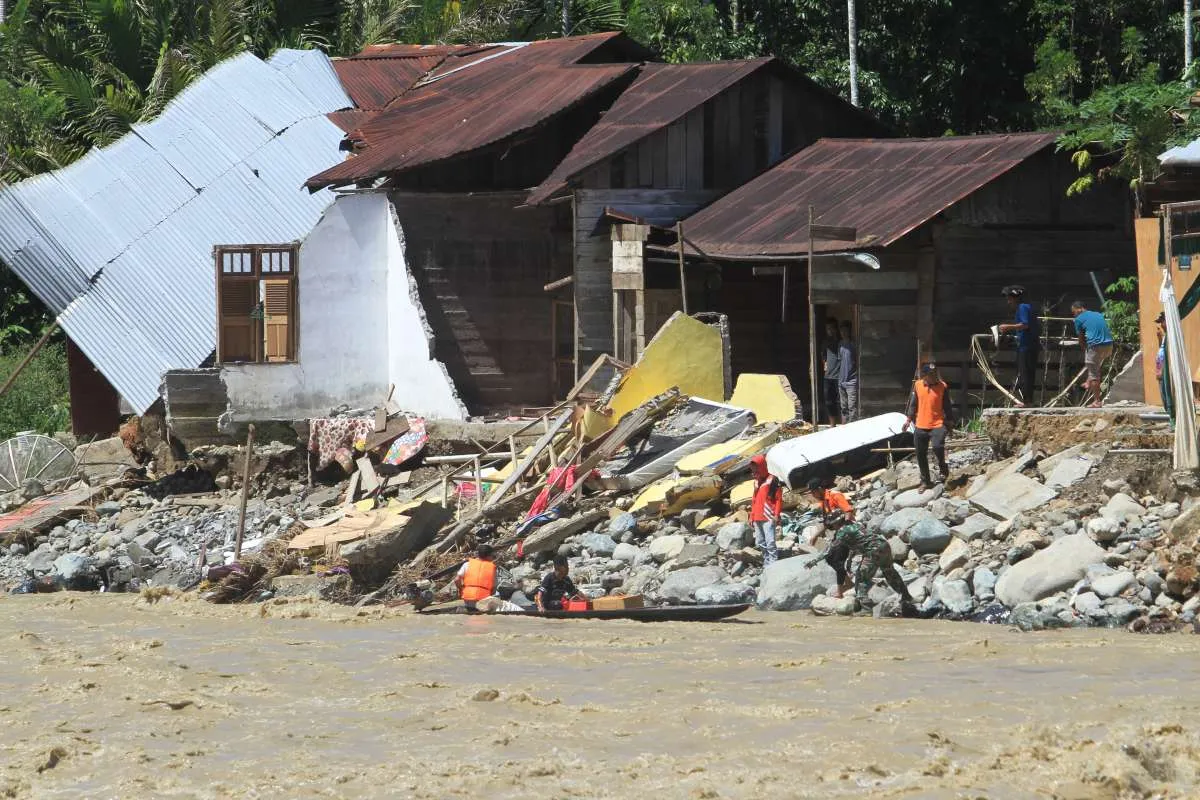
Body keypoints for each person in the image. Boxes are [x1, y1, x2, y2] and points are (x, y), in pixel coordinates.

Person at [819, 512, 916, 615]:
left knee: (861, 577)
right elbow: (856, 544)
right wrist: (849, 561)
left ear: (835, 523)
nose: (831, 527)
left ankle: (866, 608)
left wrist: (814, 560)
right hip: (884, 546)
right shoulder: (855, 524)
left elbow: (830, 549)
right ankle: (906, 597)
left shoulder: (842, 531)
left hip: (873, 551)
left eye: (831, 524)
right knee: (890, 573)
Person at [903, 363, 955, 489]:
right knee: (920, 454)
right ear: (924, 376)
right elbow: (913, 404)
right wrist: (908, 420)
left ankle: (943, 468)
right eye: (931, 375)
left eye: (935, 374)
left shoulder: (942, 386)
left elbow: (947, 406)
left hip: (937, 424)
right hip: (921, 424)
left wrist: (950, 422)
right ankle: (926, 481)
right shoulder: (918, 385)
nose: (934, 377)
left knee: (937, 447)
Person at [997, 286, 1039, 407]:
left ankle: (1027, 402)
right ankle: (1028, 400)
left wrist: (1007, 327)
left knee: (1024, 373)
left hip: (1026, 346)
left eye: (1009, 299)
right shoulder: (1028, 306)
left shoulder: (1022, 307)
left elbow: (1024, 325)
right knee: (1028, 373)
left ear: (1015, 298)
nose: (1009, 302)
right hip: (1030, 345)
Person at [1071, 300, 1114, 408]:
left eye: (1074, 312)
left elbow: (1081, 339)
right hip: (1109, 345)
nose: (1074, 314)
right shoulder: (1098, 314)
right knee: (1094, 366)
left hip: (1096, 345)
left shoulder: (1078, 319)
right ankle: (1088, 381)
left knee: (1094, 372)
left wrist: (1085, 349)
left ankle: (1097, 401)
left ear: (1079, 309)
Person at [749, 455, 783, 567]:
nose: (754, 471)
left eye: (756, 468)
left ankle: (773, 564)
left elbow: (778, 498)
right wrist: (751, 516)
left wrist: (777, 515)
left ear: (762, 466)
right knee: (760, 542)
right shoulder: (756, 482)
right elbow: (754, 500)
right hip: (757, 517)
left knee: (770, 542)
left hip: (768, 516)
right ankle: (766, 562)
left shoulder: (772, 480)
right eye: (753, 469)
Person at [455, 543, 497, 611]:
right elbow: (494, 588)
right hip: (483, 600)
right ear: (488, 556)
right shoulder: (492, 568)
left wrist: (461, 590)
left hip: (468, 597)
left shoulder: (467, 564)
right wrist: (488, 595)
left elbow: (456, 580)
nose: (493, 558)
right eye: (492, 556)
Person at [838, 320, 859, 422]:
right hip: (841, 381)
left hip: (851, 381)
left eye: (845, 330)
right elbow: (840, 361)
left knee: (852, 407)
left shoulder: (853, 344)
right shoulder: (840, 344)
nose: (843, 333)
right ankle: (844, 428)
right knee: (843, 407)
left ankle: (852, 429)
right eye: (842, 330)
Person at [822, 319, 842, 425]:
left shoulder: (841, 341)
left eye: (831, 328)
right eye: (827, 328)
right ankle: (832, 425)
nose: (829, 331)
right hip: (828, 377)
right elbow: (823, 356)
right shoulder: (825, 342)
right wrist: (825, 367)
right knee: (829, 402)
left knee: (840, 402)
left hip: (839, 376)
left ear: (835, 329)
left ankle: (842, 425)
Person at [1155, 312, 1173, 423]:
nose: (1161, 325)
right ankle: (1169, 418)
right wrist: (1159, 339)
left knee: (1167, 397)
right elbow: (1162, 351)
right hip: (1160, 370)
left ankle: (1171, 419)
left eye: (1162, 322)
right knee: (1163, 396)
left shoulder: (1171, 336)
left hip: (1164, 372)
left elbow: (1169, 356)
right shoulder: (1165, 336)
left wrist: (1162, 370)